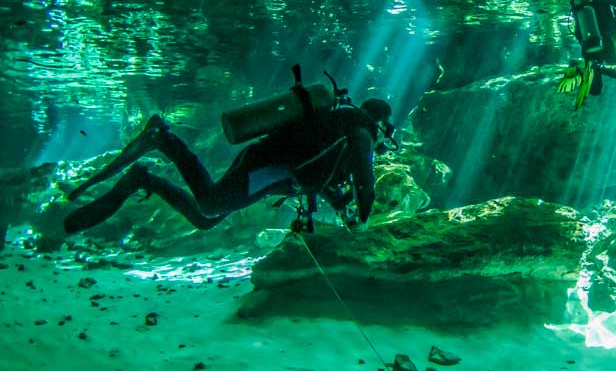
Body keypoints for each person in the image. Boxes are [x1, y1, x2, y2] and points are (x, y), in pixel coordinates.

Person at [63, 77, 393, 234]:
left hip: (265, 165)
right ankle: (164, 140)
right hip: (265, 170)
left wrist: (340, 207)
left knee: (206, 218)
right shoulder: (359, 132)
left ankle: (144, 178)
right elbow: (365, 182)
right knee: (210, 205)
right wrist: (364, 219)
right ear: (378, 121)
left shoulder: (338, 131)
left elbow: (318, 174)